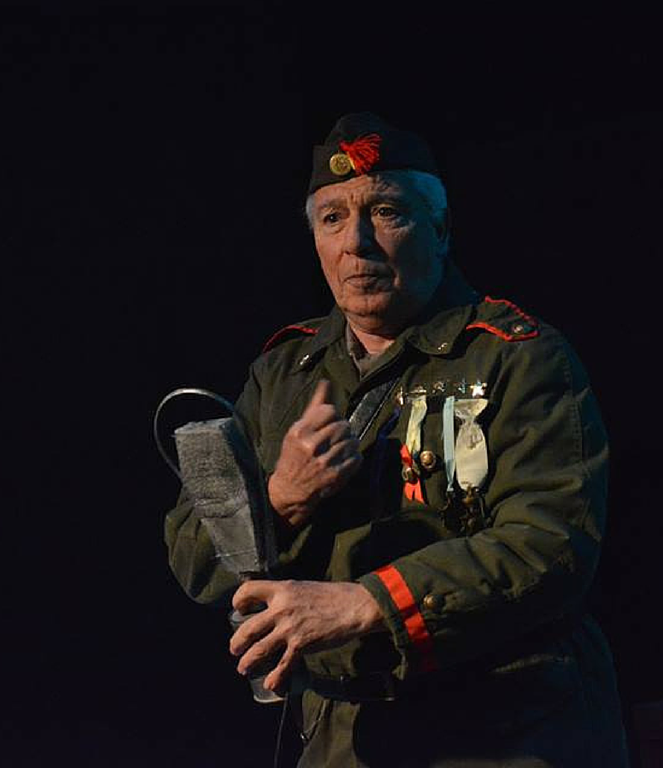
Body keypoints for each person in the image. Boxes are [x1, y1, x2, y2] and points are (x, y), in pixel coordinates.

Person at [165, 112, 629, 767]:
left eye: (386, 212)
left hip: (505, 734)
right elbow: (193, 561)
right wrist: (280, 499)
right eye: (332, 218)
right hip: (345, 739)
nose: (356, 243)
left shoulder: (516, 357)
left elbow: (553, 544)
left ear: (440, 228)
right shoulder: (281, 375)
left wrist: (367, 604)